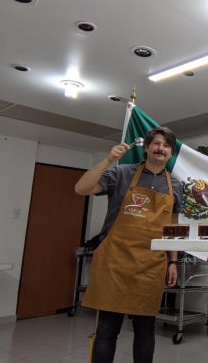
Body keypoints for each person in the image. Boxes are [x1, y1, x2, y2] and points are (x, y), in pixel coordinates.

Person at [75, 127, 183, 363]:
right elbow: (81, 189)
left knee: (145, 329)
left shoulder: (176, 185)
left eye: (166, 145)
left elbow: (172, 230)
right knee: (107, 329)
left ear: (171, 152)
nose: (160, 148)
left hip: (151, 265)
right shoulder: (121, 173)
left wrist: (173, 261)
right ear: (146, 148)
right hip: (115, 261)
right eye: (156, 143)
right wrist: (108, 160)